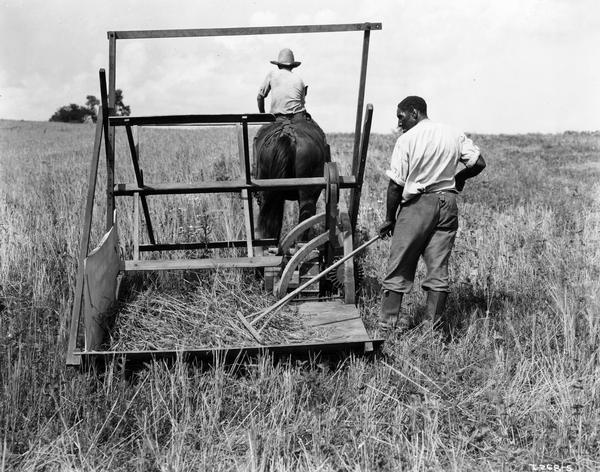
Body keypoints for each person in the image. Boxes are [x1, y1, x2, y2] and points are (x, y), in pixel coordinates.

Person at [378, 96, 486, 333]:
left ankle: (387, 325)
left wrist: (389, 218)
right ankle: (432, 329)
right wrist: (459, 177)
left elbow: (396, 185)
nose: (399, 124)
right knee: (438, 268)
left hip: (418, 204)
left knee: (400, 263)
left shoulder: (407, 139)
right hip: (448, 204)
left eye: (401, 117)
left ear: (414, 112)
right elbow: (478, 163)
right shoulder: (453, 133)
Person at [257, 48, 308, 117]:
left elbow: (259, 97)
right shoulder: (299, 80)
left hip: (278, 116)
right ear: (292, 66)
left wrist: (263, 115)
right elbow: (302, 103)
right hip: (298, 115)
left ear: (278, 65)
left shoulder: (272, 75)